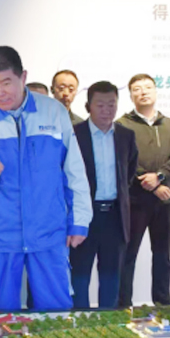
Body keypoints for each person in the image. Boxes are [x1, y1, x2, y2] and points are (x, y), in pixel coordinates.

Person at [0, 46, 92, 311]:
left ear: (23, 76)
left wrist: (80, 220)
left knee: (55, 313)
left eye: (6, 83)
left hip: (49, 232)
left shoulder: (54, 113)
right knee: (1, 315)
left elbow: (74, 172)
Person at [71, 82, 137, 309]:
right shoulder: (74, 134)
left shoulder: (126, 135)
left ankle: (109, 321)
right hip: (84, 215)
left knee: (111, 277)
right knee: (79, 276)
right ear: (88, 106)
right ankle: (79, 322)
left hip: (115, 216)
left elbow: (129, 172)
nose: (107, 110)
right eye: (100, 105)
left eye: (112, 105)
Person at [117, 74, 170, 307]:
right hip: (135, 201)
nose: (143, 92)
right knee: (127, 255)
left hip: (166, 201)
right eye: (137, 89)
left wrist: (160, 177)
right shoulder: (122, 125)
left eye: (148, 87)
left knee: (163, 257)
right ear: (130, 95)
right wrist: (151, 184)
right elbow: (124, 161)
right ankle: (123, 306)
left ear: (156, 91)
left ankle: (163, 306)